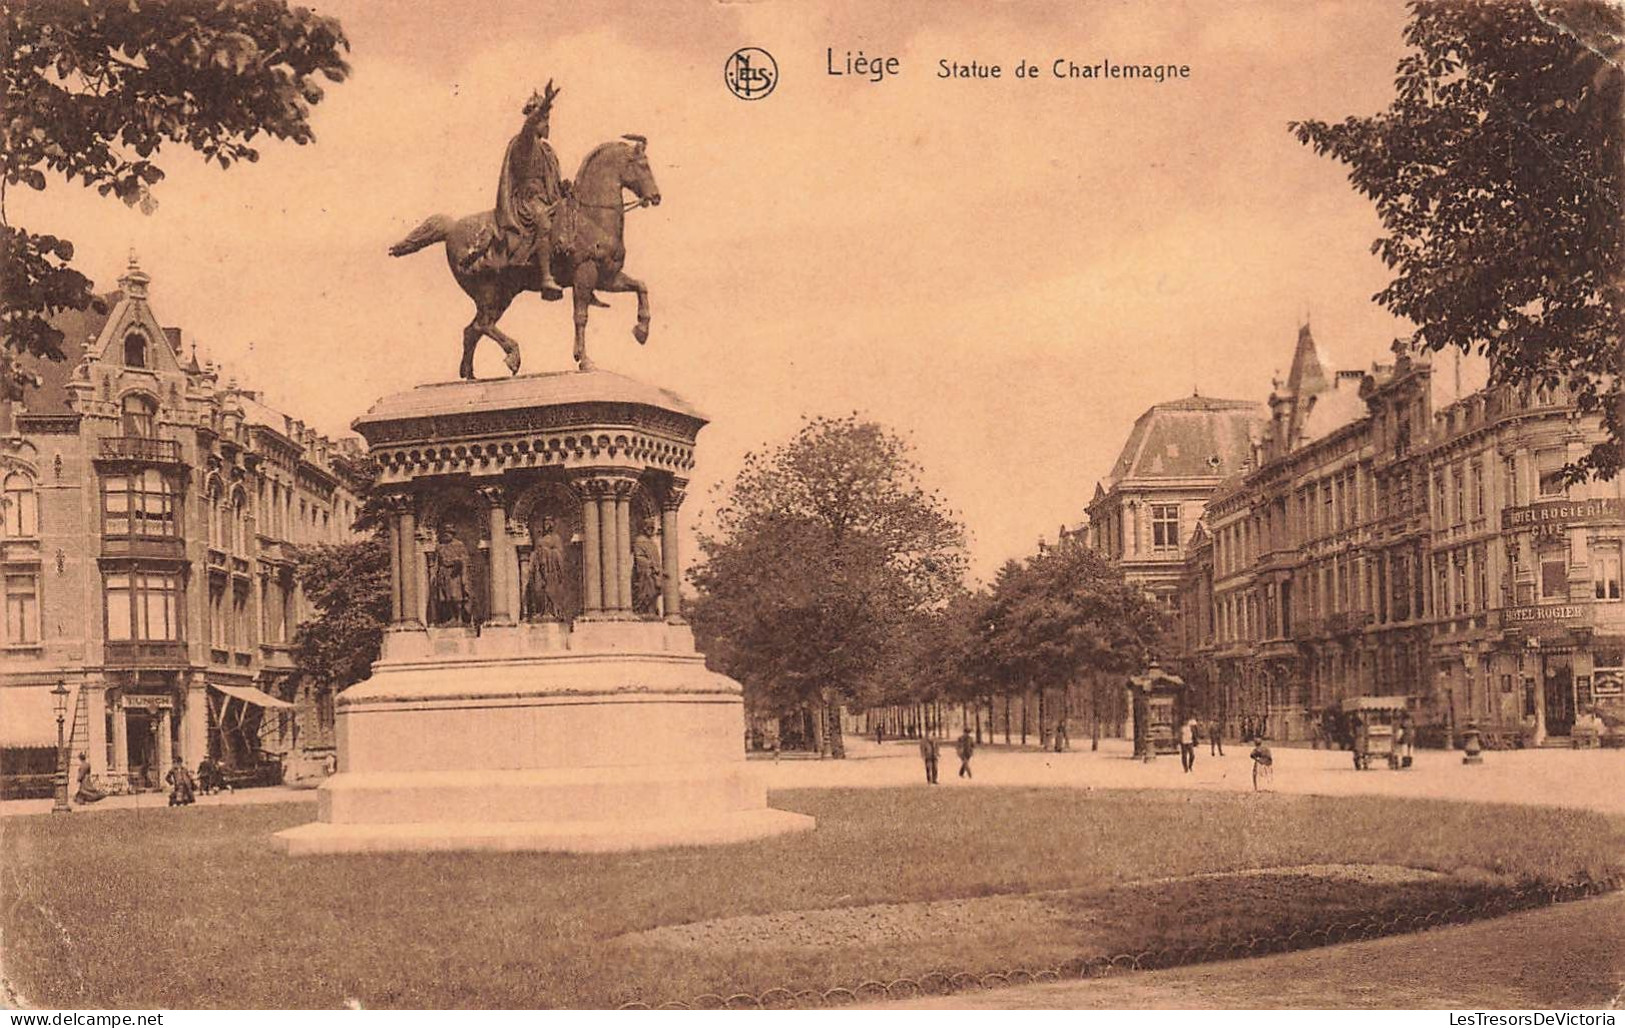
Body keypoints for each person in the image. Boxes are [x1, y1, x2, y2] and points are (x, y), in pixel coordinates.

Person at [491, 82, 566, 299]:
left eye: (547, 121)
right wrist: (545, 105)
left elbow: (551, 179)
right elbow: (529, 125)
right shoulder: (524, 142)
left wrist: (564, 187)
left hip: (547, 197)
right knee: (543, 221)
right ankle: (546, 278)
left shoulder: (547, 150)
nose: (548, 125)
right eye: (545, 121)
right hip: (527, 200)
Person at [526, 516, 569, 620]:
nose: (547, 525)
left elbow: (560, 553)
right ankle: (541, 611)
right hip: (540, 569)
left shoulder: (556, 538)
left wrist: (548, 553)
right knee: (539, 588)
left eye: (549, 523)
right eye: (545, 523)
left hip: (552, 570)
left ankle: (554, 612)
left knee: (552, 589)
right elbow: (534, 553)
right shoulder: (539, 540)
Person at [430, 525, 470, 625]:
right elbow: (436, 562)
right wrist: (434, 574)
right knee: (445, 597)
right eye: (445, 532)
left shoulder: (459, 545)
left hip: (455, 573)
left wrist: (461, 569)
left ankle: (460, 617)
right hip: (444, 573)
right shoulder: (440, 546)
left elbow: (465, 559)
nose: (446, 534)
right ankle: (452, 617)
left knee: (456, 596)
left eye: (448, 532)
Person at [631, 517, 663, 616]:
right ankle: (643, 611)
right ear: (644, 528)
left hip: (654, 573)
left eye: (652, 528)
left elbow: (656, 558)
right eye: (649, 528)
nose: (651, 530)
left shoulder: (652, 543)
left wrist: (658, 569)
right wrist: (650, 565)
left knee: (654, 593)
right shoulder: (640, 541)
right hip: (645, 573)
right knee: (645, 593)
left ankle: (652, 611)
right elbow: (639, 557)